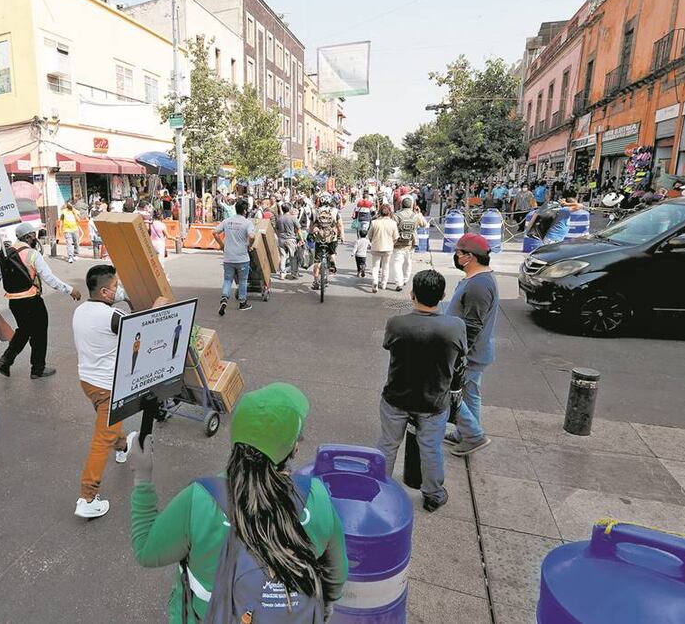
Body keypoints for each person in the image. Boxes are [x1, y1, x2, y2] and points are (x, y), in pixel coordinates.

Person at [129, 382, 348, 622]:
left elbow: (147, 552)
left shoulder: (200, 499)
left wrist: (142, 477)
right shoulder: (316, 498)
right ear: (293, 449)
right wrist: (325, 606)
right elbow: (336, 575)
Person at [377, 270, 467, 512]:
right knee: (431, 448)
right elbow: (461, 360)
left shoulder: (397, 323)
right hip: (434, 401)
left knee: (388, 445)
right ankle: (433, 494)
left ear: (412, 294)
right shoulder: (455, 327)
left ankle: (379, 490)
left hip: (396, 397)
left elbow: (388, 345)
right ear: (443, 296)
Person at [72, 265, 157, 519]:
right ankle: (88, 497)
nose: (119, 288)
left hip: (88, 382)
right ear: (106, 291)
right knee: (101, 440)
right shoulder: (113, 317)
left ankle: (122, 446)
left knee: (108, 425)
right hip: (109, 387)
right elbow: (145, 330)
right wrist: (158, 307)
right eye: (116, 284)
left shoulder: (80, 311)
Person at [0, 222, 81, 379]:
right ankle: (37, 369)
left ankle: (7, 359)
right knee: (39, 333)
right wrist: (70, 290)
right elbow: (49, 278)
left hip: (14, 302)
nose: (35, 238)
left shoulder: (5, 254)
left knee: (24, 330)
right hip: (32, 300)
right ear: (28, 236)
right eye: (34, 235)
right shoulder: (32, 254)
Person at [444, 234, 498, 457]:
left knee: (450, 394)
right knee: (470, 394)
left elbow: (472, 326)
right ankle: (464, 433)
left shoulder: (479, 285)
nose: (455, 257)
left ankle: (474, 436)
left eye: (458, 253)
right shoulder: (476, 279)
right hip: (474, 352)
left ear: (470, 257)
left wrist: (459, 355)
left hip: (469, 353)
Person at [212, 198, 256, 315]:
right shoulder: (247, 223)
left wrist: (222, 245)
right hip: (242, 258)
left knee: (227, 280)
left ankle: (224, 298)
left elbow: (214, 232)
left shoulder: (227, 221)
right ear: (245, 210)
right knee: (242, 280)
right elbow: (251, 236)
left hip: (228, 257)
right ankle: (242, 302)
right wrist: (249, 245)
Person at [391, 196, 427, 293]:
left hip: (398, 243)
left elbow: (392, 228)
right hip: (411, 243)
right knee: (408, 262)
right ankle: (405, 279)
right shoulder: (416, 215)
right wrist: (419, 213)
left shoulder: (396, 215)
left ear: (401, 205)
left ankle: (399, 283)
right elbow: (424, 224)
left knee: (398, 263)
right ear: (411, 205)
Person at [310, 192, 344, 290]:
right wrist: (341, 235)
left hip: (319, 238)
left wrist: (311, 234)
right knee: (332, 254)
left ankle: (316, 281)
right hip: (331, 237)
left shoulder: (315, 211)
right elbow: (340, 225)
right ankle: (332, 266)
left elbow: (311, 226)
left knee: (317, 261)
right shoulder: (335, 211)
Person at [366, 204, 398, 293]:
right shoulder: (393, 223)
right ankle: (383, 284)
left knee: (375, 267)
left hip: (376, 247)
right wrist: (391, 244)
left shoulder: (374, 222)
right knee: (385, 266)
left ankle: (375, 282)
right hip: (388, 248)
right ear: (390, 212)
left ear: (380, 212)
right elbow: (395, 238)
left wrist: (373, 241)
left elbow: (369, 235)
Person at [275, 202, 301, 280]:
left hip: (281, 239)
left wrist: (279, 235)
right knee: (292, 256)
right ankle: (293, 273)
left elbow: (277, 229)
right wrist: (302, 239)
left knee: (283, 256)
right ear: (289, 209)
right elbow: (298, 229)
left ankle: (282, 273)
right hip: (291, 239)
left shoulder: (279, 218)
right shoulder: (293, 218)